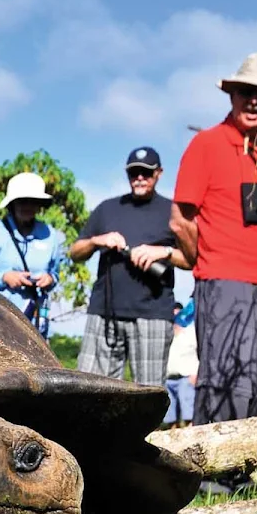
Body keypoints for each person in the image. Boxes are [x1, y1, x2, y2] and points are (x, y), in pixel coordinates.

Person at [170, 53, 257, 424]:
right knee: (227, 377)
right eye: (246, 91)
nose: (254, 100)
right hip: (226, 282)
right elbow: (180, 220)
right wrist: (204, 258)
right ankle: (217, 480)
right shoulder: (206, 144)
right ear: (232, 94)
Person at [69, 147, 189, 385]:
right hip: (104, 314)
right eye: (134, 173)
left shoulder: (173, 211)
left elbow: (190, 259)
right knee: (89, 389)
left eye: (146, 173)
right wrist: (97, 240)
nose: (139, 178)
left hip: (153, 316)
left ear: (159, 174)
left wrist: (161, 252)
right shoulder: (107, 208)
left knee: (149, 394)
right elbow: (75, 252)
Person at [0, 172, 65, 335]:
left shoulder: (49, 234)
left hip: (35, 322)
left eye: (33, 201)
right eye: (22, 201)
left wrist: (49, 279)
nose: (27, 206)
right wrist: (4, 278)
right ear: (12, 203)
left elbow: (55, 273)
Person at [163, 313, 199, 428]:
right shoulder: (166, 333)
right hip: (168, 378)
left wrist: (195, 373)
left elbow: (198, 353)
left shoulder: (190, 333)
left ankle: (192, 439)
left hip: (185, 377)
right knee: (170, 416)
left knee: (189, 414)